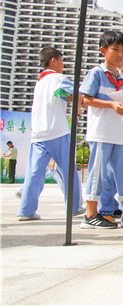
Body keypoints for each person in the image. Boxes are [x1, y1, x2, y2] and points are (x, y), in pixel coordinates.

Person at [79, 31, 123, 229]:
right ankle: (90, 214)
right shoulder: (96, 73)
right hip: (101, 133)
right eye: (115, 49)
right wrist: (111, 105)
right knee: (97, 173)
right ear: (103, 51)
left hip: (120, 134)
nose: (120, 54)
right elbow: (85, 100)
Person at [16, 47, 84, 220]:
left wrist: (68, 98)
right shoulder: (58, 78)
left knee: (34, 172)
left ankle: (26, 210)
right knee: (69, 171)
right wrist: (76, 107)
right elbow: (78, 94)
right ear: (54, 61)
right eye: (61, 61)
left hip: (38, 132)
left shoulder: (40, 82)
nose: (62, 65)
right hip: (58, 130)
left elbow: (60, 97)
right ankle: (74, 207)